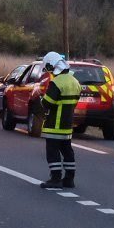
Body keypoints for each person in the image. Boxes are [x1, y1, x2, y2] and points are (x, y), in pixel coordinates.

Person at [36, 52, 81, 189]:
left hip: (54, 124)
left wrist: (40, 97)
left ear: (52, 66)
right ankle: (69, 179)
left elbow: (47, 104)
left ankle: (55, 178)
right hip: (67, 125)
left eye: (49, 68)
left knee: (53, 152)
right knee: (67, 151)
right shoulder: (75, 81)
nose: (49, 72)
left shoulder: (56, 83)